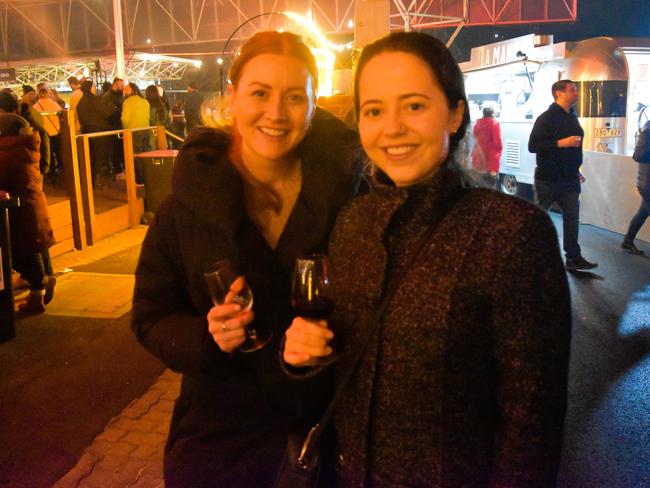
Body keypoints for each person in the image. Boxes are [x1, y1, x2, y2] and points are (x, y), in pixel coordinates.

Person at [284, 31, 571, 487]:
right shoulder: (353, 222)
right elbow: (345, 363)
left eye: (414, 105)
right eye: (374, 110)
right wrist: (304, 354)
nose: (391, 127)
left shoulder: (511, 233)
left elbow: (532, 423)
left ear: (455, 112)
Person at [131, 31, 364, 487]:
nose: (276, 113)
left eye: (295, 97)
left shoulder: (350, 199)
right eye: (259, 93)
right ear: (233, 98)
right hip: (218, 442)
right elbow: (150, 317)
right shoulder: (185, 206)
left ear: (315, 104)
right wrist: (207, 335)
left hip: (322, 437)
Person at [528, 79, 597, 271]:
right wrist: (560, 143)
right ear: (559, 93)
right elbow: (533, 146)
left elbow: (573, 150)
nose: (576, 93)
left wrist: (575, 169)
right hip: (548, 179)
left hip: (569, 178)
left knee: (572, 218)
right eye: (572, 90)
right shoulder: (546, 118)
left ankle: (573, 258)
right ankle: (530, 256)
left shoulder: (572, 116)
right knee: (539, 218)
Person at [0, 112, 56, 313]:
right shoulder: (27, 147)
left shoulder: (9, 152)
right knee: (31, 251)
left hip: (20, 211)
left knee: (22, 254)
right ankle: (38, 293)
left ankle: (40, 287)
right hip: (31, 206)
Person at [76, 79, 115, 186]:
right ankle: (97, 179)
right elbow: (105, 113)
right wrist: (112, 107)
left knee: (90, 156)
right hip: (97, 131)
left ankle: (90, 179)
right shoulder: (95, 100)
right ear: (91, 88)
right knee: (99, 155)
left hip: (85, 131)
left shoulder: (80, 103)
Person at [621, 120, 650, 254]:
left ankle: (627, 241)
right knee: (643, 212)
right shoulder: (647, 130)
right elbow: (637, 155)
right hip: (647, 183)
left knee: (643, 212)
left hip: (646, 182)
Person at [33, 87, 64, 178]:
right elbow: (61, 114)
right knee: (58, 152)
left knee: (48, 154)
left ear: (38, 94)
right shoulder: (54, 104)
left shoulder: (35, 107)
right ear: (47, 94)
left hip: (45, 134)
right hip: (55, 131)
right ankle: (61, 170)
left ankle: (52, 172)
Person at [471, 106, 502, 189]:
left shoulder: (477, 124)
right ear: (492, 114)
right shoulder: (494, 124)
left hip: (478, 160)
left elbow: (474, 137)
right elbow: (497, 143)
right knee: (491, 187)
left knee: (479, 187)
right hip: (491, 162)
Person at [121, 82, 150, 154]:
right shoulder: (145, 101)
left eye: (126, 89)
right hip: (146, 131)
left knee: (135, 155)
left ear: (132, 89)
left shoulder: (127, 102)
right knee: (145, 154)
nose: (124, 91)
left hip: (133, 132)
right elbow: (148, 117)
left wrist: (126, 130)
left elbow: (125, 119)